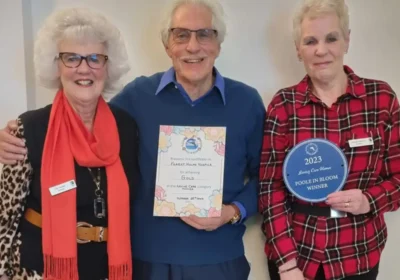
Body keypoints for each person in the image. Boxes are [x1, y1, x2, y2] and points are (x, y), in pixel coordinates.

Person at [0, 0, 265, 279]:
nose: (193, 46)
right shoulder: (137, 97)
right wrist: (10, 137)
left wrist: (233, 211)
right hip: (144, 262)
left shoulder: (246, 102)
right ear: (167, 45)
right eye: (181, 34)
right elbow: (82, 117)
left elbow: (267, 179)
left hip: (219, 257)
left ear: (218, 44)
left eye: (205, 34)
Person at [259, 0, 400, 280]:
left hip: (358, 253)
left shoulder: (381, 98)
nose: (321, 50)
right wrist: (287, 263)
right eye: (310, 41)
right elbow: (270, 188)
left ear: (347, 41)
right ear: (299, 50)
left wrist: (369, 200)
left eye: (331, 38)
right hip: (298, 257)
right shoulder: (284, 104)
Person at [0, 8, 138, 280]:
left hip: (108, 268)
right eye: (71, 58)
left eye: (94, 58)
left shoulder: (127, 127)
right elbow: (5, 218)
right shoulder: (27, 128)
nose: (84, 68)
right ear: (57, 65)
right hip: (41, 270)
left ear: (107, 66)